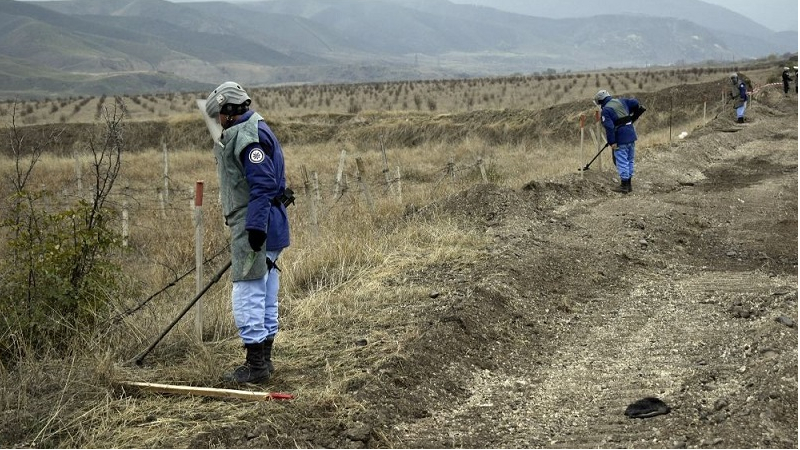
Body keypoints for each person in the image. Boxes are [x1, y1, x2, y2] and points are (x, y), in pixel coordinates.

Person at [205, 81, 291, 384]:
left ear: (228, 111)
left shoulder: (246, 136)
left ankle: (255, 366)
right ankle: (264, 362)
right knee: (266, 291)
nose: (218, 120)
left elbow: (263, 183)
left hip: (256, 223)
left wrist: (254, 227)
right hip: (270, 220)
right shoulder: (258, 126)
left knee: (248, 292)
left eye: (219, 114)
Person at [594, 89, 646, 194]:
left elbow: (609, 127)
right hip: (631, 135)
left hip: (621, 138)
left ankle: (624, 186)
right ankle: (629, 185)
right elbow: (635, 102)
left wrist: (612, 142)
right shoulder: (621, 101)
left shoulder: (606, 110)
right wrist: (633, 114)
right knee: (630, 160)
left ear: (600, 101)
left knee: (622, 161)